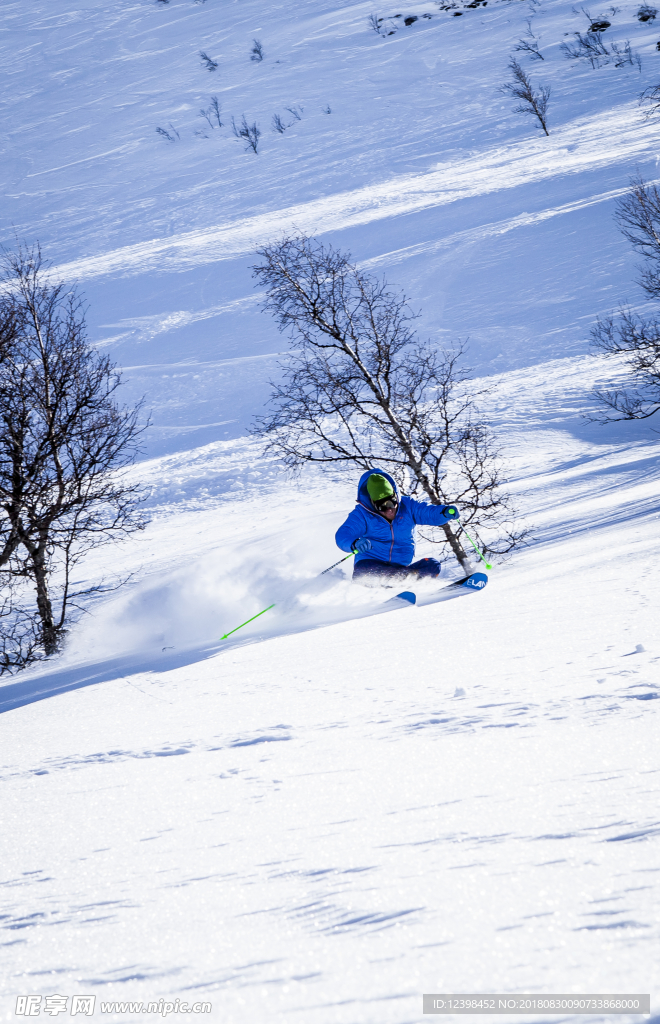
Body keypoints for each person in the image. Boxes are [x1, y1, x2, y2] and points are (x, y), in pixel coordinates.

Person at [335, 468, 460, 585]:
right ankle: (394, 584)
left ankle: (400, 584)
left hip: (399, 568)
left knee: (432, 565)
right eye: (382, 507)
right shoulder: (362, 514)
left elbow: (429, 513)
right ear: (373, 505)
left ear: (396, 496)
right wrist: (354, 543)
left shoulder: (408, 506)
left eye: (392, 502)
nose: (389, 510)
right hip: (371, 564)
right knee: (365, 572)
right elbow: (343, 534)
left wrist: (444, 512)